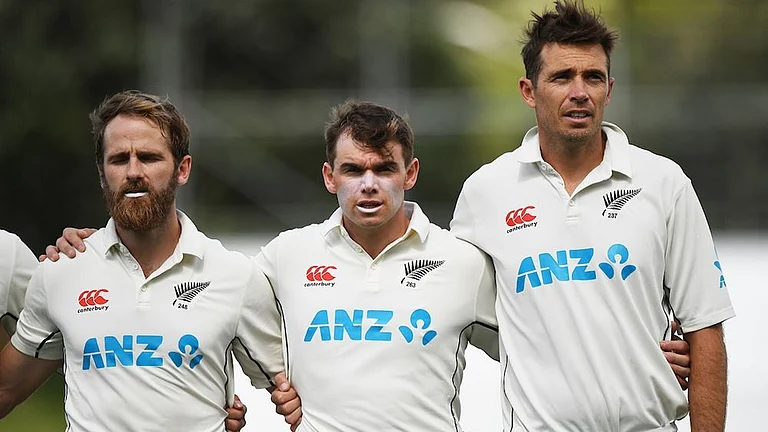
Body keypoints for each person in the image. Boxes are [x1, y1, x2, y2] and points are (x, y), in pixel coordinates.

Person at [49, 100, 693, 431]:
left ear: (410, 173)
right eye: (353, 169)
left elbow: (547, 337)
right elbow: (203, 321)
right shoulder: (282, 259)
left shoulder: (463, 263)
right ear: (329, 176)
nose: (369, 185)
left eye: (385, 169)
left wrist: (636, 353)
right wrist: (81, 248)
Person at [450, 1, 735, 431]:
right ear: (529, 90)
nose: (579, 91)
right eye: (562, 77)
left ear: (609, 89)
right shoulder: (485, 192)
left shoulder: (663, 182)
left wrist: (636, 355)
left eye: (593, 77)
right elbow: (454, 314)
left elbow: (705, 328)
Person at [0, 90, 282, 431]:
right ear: (102, 173)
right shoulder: (60, 271)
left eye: (148, 157)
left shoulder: (235, 274)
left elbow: (296, 396)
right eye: (119, 159)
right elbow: (6, 390)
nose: (133, 171)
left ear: (182, 169)